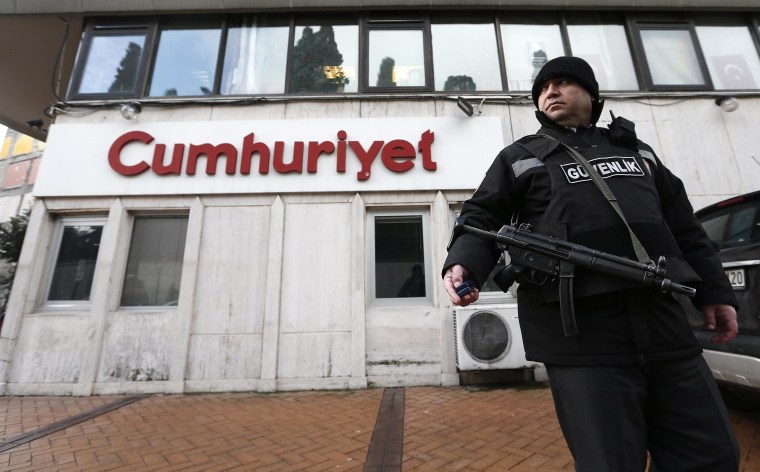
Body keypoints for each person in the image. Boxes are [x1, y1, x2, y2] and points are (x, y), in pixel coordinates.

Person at [442, 56, 740, 471]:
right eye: (544, 88)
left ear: (593, 95)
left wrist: (715, 294)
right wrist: (463, 264)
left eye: (563, 83)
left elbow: (684, 228)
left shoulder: (638, 152)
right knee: (610, 462)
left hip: (666, 327)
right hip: (582, 337)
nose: (551, 91)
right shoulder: (521, 155)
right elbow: (480, 217)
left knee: (711, 454)